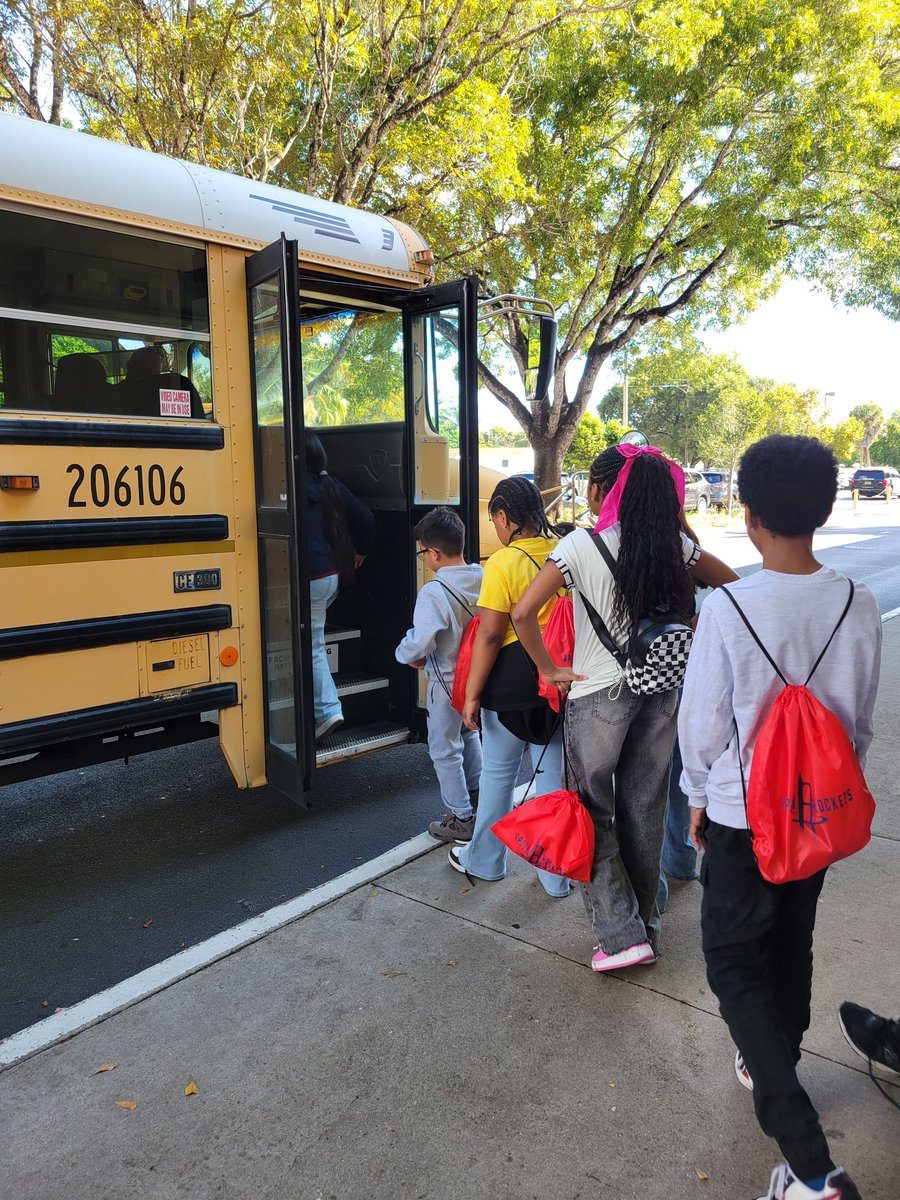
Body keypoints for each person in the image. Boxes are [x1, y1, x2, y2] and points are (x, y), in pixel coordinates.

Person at [680, 435, 882, 1200]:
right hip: (818, 812)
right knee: (791, 939)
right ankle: (775, 1054)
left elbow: (703, 725)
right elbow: (856, 719)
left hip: (742, 817)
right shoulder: (857, 602)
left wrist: (700, 796)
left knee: (733, 961)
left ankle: (809, 1167)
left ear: (750, 512)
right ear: (826, 509)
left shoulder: (728, 606)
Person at [512, 443, 735, 970]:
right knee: (645, 811)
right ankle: (645, 931)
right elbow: (734, 589)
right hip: (662, 692)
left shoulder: (582, 546)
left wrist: (548, 668)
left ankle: (620, 935)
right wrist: (696, 637)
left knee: (588, 811)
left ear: (618, 493)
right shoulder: (677, 547)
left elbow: (524, 613)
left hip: (596, 696)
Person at [448, 475, 569, 898]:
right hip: (559, 679)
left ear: (503, 516)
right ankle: (556, 877)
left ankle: (486, 861)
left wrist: (472, 694)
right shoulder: (565, 552)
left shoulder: (503, 563)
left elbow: (490, 635)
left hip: (512, 685)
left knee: (499, 775)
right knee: (553, 780)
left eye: (495, 521)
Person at [395, 508, 483, 843]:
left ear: (433, 553)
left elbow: (421, 640)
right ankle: (478, 795)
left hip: (447, 681)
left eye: (423, 552)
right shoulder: (482, 576)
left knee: (444, 748)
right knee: (469, 734)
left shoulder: (434, 591)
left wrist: (404, 654)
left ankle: (460, 816)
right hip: (477, 678)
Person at [305, 431, 375, 740]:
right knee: (310, 640)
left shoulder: (288, 487)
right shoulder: (329, 485)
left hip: (309, 580)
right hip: (332, 576)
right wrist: (362, 551)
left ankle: (327, 708)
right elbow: (367, 518)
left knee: (311, 645)